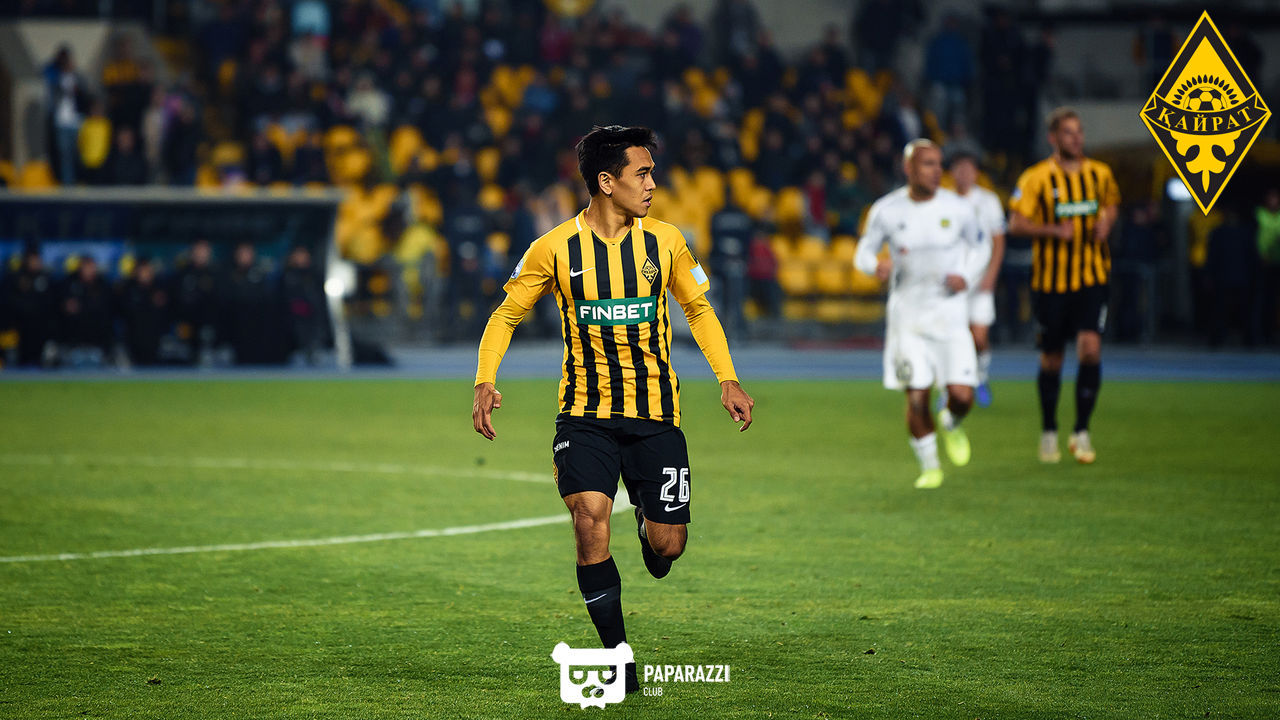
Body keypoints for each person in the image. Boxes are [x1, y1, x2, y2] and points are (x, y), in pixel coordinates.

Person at [471, 125, 754, 694]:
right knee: (589, 518)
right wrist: (484, 380)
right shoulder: (553, 248)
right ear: (606, 181)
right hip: (584, 416)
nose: (652, 184)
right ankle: (618, 658)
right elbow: (505, 315)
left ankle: (651, 529)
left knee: (668, 546)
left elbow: (699, 310)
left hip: (655, 416)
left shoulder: (667, 242)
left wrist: (727, 378)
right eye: (642, 173)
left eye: (652, 173)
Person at [855, 139, 988, 490]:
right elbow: (863, 251)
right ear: (909, 169)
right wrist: (874, 265)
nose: (936, 171)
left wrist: (967, 275)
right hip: (908, 319)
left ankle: (952, 423)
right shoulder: (887, 210)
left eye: (938, 164)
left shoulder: (958, 208)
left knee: (963, 396)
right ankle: (930, 467)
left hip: (949, 314)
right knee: (916, 396)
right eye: (928, 164)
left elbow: (982, 245)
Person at [1007, 107, 1119, 464]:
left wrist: (1106, 223)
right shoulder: (1036, 177)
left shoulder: (1100, 174)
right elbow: (1016, 223)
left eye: (1079, 131)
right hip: (1051, 283)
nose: (1076, 138)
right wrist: (1053, 230)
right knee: (1052, 358)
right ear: (1053, 138)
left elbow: (1111, 205)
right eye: (1069, 132)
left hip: (1092, 277)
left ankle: (1082, 431)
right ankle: (1049, 430)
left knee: (1090, 349)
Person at [948, 151, 1006, 407]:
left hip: (980, 279)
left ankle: (980, 376)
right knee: (951, 336)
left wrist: (991, 275)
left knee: (979, 336)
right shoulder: (944, 201)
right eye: (959, 169)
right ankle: (950, 386)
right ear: (952, 173)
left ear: (976, 172)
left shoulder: (988, 201)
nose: (964, 174)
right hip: (952, 282)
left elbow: (998, 241)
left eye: (969, 169)